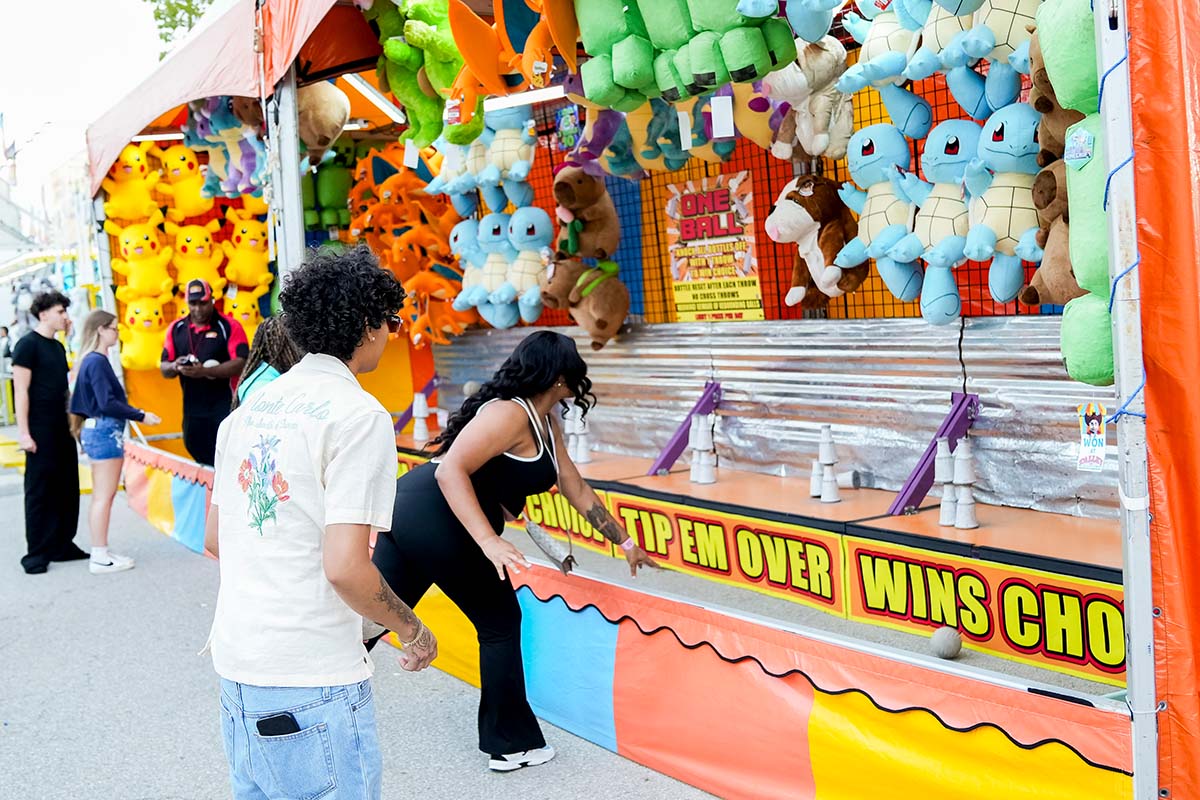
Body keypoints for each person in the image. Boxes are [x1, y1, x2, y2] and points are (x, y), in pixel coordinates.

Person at [204, 246, 438, 800]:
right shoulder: (358, 416)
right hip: (311, 674)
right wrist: (412, 628)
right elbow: (346, 568)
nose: (392, 334)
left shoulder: (245, 414)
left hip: (238, 666)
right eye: (392, 321)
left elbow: (215, 538)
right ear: (368, 325)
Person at [371, 330, 660, 772]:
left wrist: (625, 542)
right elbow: (450, 471)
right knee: (500, 623)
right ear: (560, 376)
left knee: (370, 616)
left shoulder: (545, 422)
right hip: (436, 512)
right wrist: (489, 541)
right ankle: (510, 745)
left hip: (415, 511)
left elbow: (574, 486)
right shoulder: (509, 413)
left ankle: (304, 694)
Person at [69, 310, 163, 574]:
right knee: (104, 496)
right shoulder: (97, 362)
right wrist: (141, 415)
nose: (117, 333)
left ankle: (100, 551)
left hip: (97, 430)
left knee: (102, 495)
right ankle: (99, 555)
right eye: (114, 328)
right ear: (101, 329)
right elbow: (107, 402)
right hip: (105, 431)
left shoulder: (90, 360)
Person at [12, 291, 85, 574]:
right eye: (60, 312)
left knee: (67, 486)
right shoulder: (27, 345)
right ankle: (37, 552)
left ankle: (62, 544)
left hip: (61, 426)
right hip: (39, 428)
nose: (65, 316)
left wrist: (74, 425)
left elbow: (66, 385)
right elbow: (20, 391)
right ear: (43, 315)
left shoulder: (57, 347)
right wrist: (24, 433)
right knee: (40, 491)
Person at [160, 279, 248, 465]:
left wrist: (206, 371)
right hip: (192, 410)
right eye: (193, 304)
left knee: (229, 456)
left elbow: (242, 362)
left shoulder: (229, 325)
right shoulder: (176, 329)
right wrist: (176, 366)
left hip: (226, 406)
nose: (198, 309)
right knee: (196, 450)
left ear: (212, 300)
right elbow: (164, 368)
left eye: (203, 303)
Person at [231, 315, 302, 409]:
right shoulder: (261, 385)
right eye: (296, 343)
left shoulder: (273, 373)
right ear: (282, 346)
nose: (301, 348)